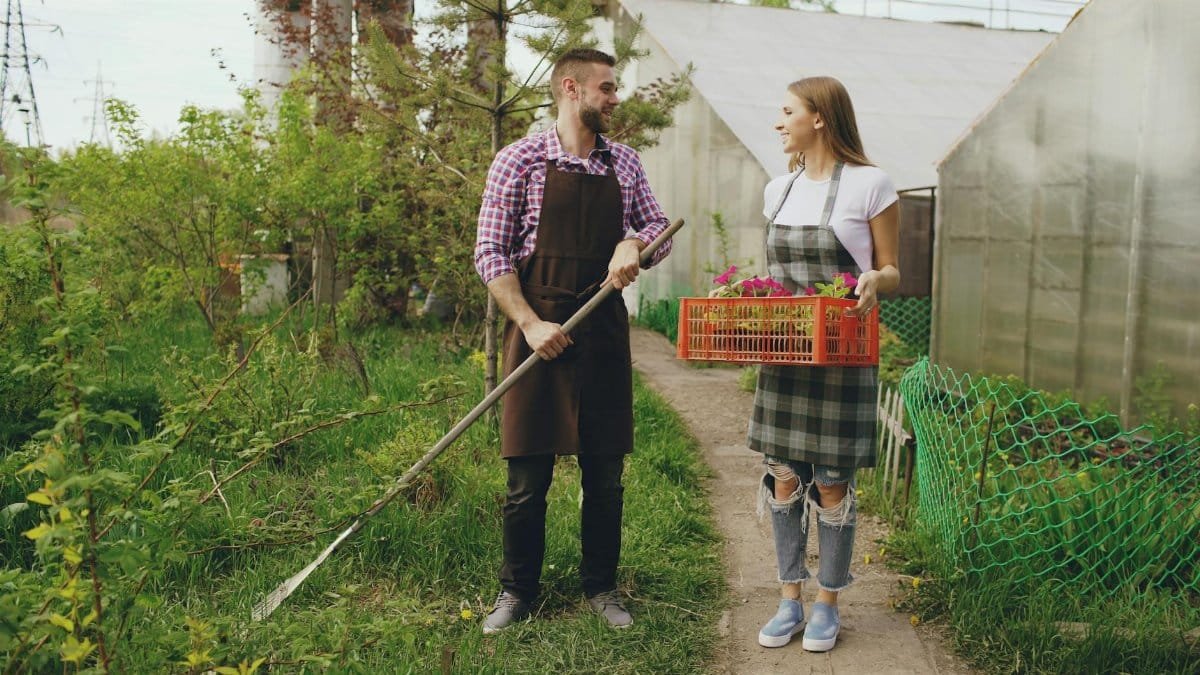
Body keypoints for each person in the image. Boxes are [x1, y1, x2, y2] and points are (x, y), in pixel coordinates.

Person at [473, 48, 673, 635]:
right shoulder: (521, 160)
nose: (615, 99)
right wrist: (531, 324)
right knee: (526, 476)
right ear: (571, 88)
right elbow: (491, 253)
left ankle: (601, 588)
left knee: (605, 474)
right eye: (607, 89)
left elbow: (659, 228)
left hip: (602, 330)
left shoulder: (625, 164)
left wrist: (633, 245)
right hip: (538, 330)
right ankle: (516, 591)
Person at [750, 76, 900, 651]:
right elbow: (774, 275)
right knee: (784, 478)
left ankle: (827, 603)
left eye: (786, 111)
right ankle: (788, 597)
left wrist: (873, 279)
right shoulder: (777, 190)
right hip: (787, 350)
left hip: (842, 350)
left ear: (819, 118)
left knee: (832, 484)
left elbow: (892, 271)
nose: (778, 122)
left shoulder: (870, 185)